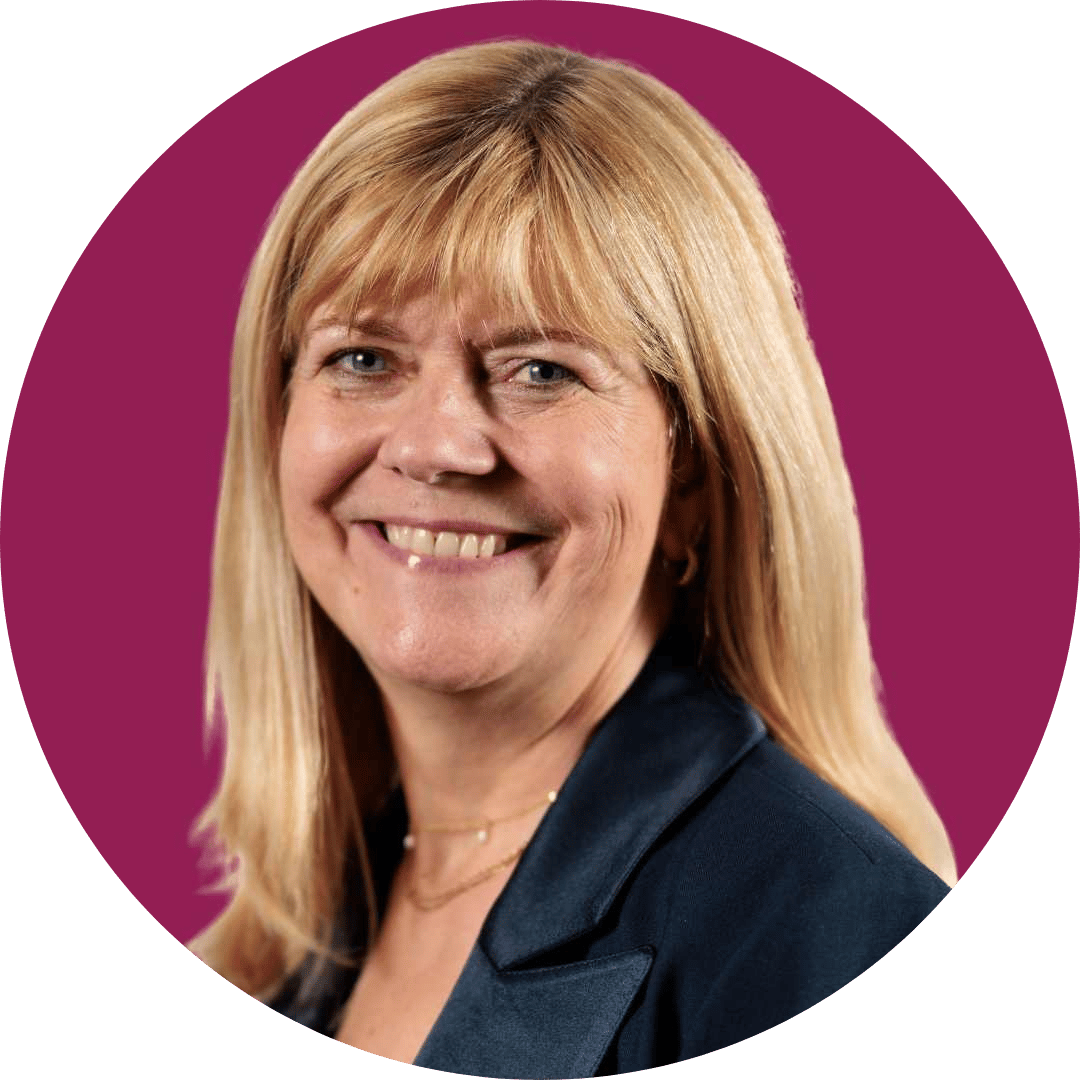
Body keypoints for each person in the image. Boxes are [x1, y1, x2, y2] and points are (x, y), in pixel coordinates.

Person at [191, 40, 956, 1076]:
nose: (434, 446)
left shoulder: (836, 932)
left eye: (541, 368)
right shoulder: (302, 933)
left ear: (694, 479)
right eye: (362, 358)